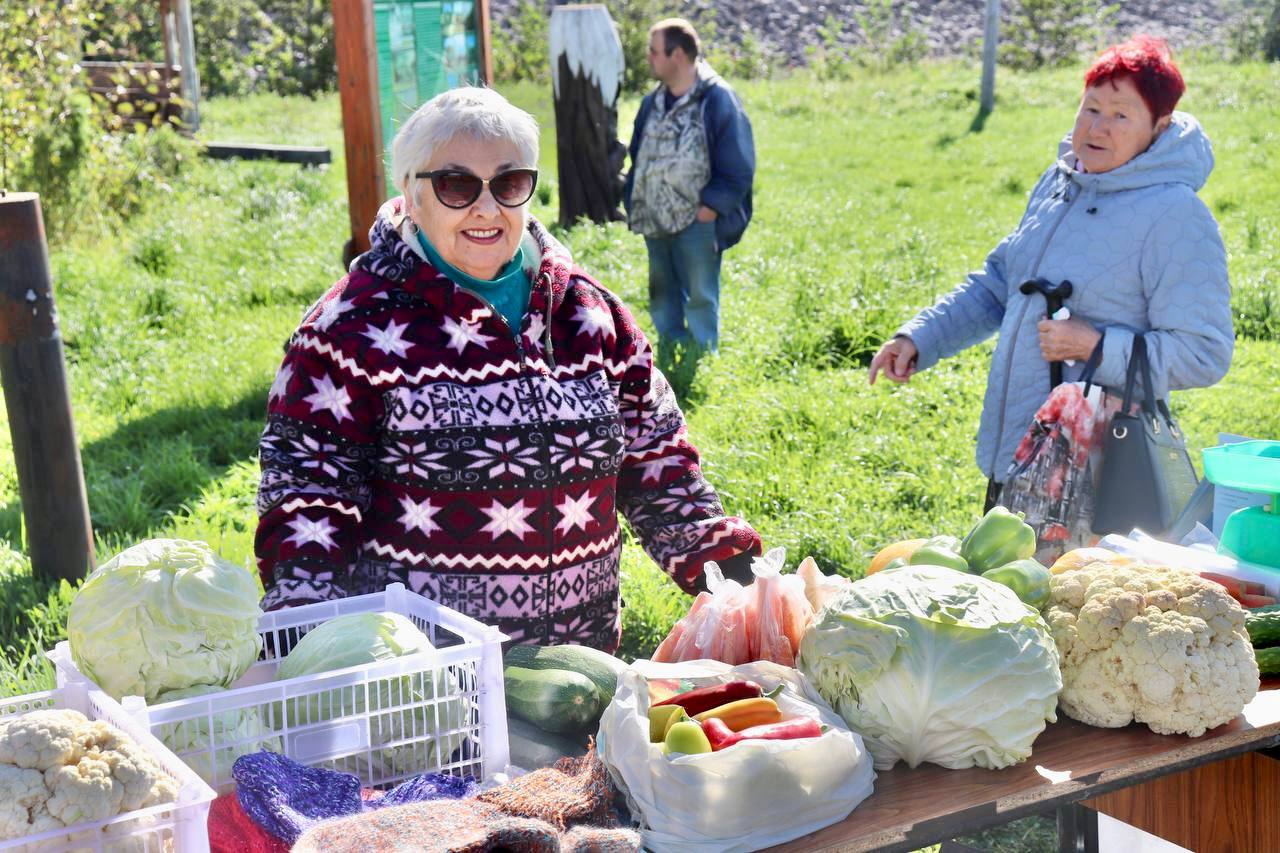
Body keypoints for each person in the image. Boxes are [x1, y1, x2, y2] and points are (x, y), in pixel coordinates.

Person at [254, 87, 761, 652]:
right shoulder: (349, 325)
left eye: (509, 183)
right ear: (410, 192)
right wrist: (306, 645)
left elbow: (660, 467)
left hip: (574, 679)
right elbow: (306, 495)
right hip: (422, 691)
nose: (486, 208)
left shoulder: (590, 316)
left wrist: (745, 590)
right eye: (456, 185)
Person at [868, 35, 1233, 510]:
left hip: (1099, 475)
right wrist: (920, 337)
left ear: (1159, 126)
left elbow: (1204, 353)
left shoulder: (1176, 215)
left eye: (1121, 115)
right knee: (1001, 581)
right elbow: (1002, 282)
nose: (1098, 128)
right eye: (1090, 108)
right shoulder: (1062, 183)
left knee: (1062, 587)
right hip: (1020, 455)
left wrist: (1096, 346)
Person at [624, 17, 755, 353]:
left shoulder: (717, 99)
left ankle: (701, 355)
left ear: (677, 55)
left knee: (700, 295)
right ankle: (669, 349)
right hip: (655, 218)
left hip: (698, 221)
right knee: (661, 292)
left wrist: (709, 208)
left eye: (654, 52)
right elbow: (638, 155)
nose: (649, 58)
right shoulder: (651, 102)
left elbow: (739, 165)